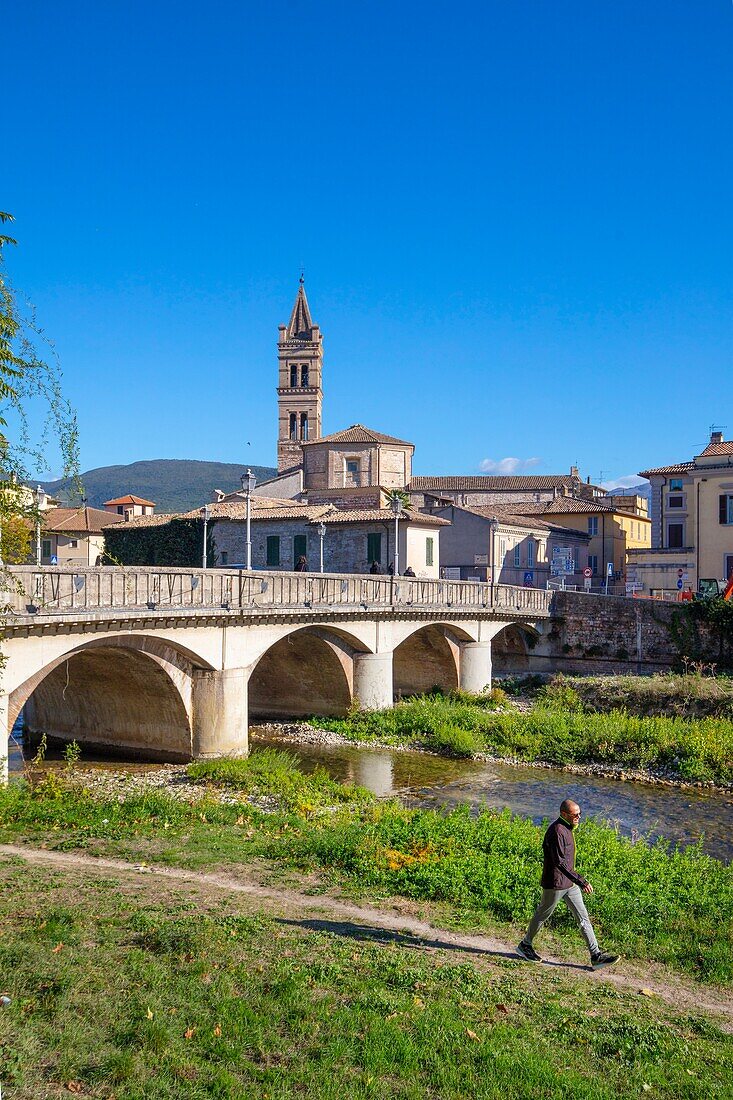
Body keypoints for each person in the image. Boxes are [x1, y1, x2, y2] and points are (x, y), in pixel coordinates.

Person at [517, 798, 619, 970]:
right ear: (564, 814)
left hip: (569, 884)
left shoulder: (567, 828)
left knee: (583, 918)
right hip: (555, 884)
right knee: (543, 914)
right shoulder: (557, 831)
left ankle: (596, 956)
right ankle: (525, 945)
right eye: (576, 815)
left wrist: (574, 881)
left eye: (580, 814)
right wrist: (581, 881)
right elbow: (560, 863)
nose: (579, 817)